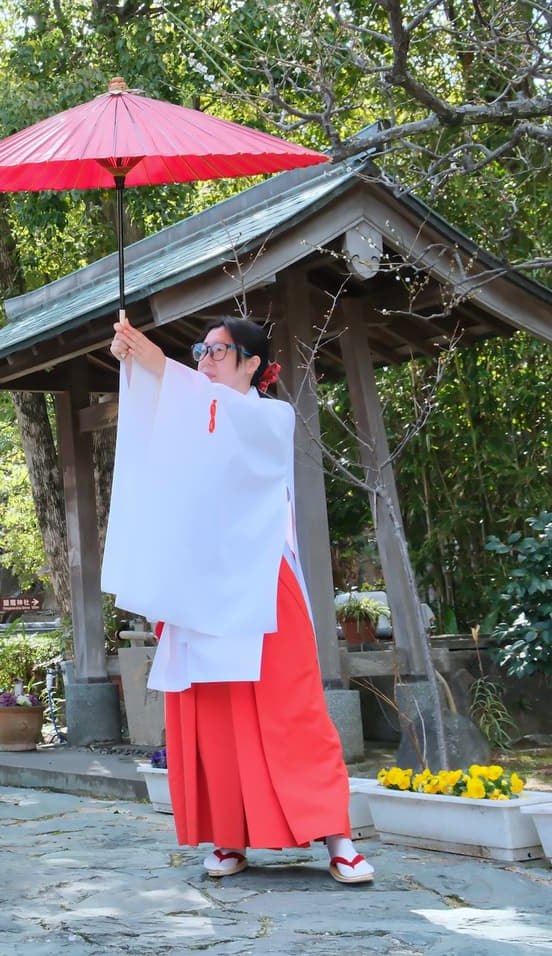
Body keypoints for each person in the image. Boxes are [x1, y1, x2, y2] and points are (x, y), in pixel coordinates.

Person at [102, 316, 374, 885]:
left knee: (291, 708)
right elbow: (159, 429)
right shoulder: (190, 412)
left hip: (260, 580)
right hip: (196, 585)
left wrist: (153, 360)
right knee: (214, 715)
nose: (206, 359)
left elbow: (210, 407)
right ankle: (229, 836)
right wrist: (136, 368)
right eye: (202, 350)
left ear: (254, 364)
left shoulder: (268, 415)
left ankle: (337, 837)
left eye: (221, 351)